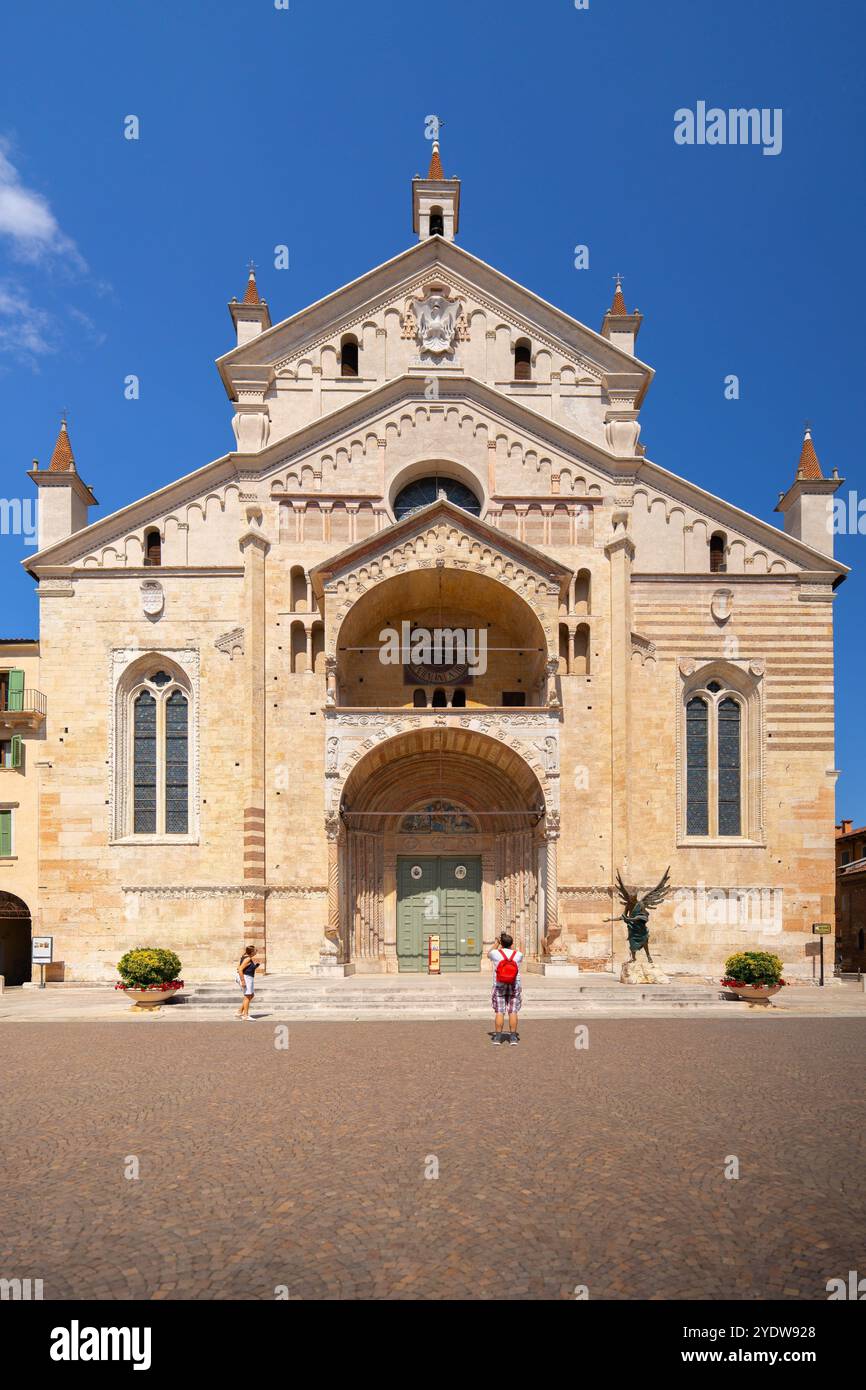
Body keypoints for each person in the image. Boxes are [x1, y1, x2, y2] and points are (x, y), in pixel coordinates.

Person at [488, 932, 523, 1044]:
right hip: (514, 984)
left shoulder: (496, 953)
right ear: (511, 943)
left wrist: (496, 943)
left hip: (499, 985)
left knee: (500, 1011)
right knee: (513, 1011)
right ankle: (513, 1038)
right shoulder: (518, 954)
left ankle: (498, 1038)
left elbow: (488, 954)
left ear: (501, 943)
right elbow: (520, 956)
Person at [235, 945, 260, 1019]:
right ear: (252, 952)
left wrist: (254, 967)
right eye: (255, 951)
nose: (256, 952)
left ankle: (239, 1012)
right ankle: (245, 1015)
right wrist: (243, 981)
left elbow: (239, 967)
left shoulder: (244, 956)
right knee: (248, 996)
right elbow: (240, 969)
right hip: (246, 978)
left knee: (251, 995)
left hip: (247, 977)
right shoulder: (248, 958)